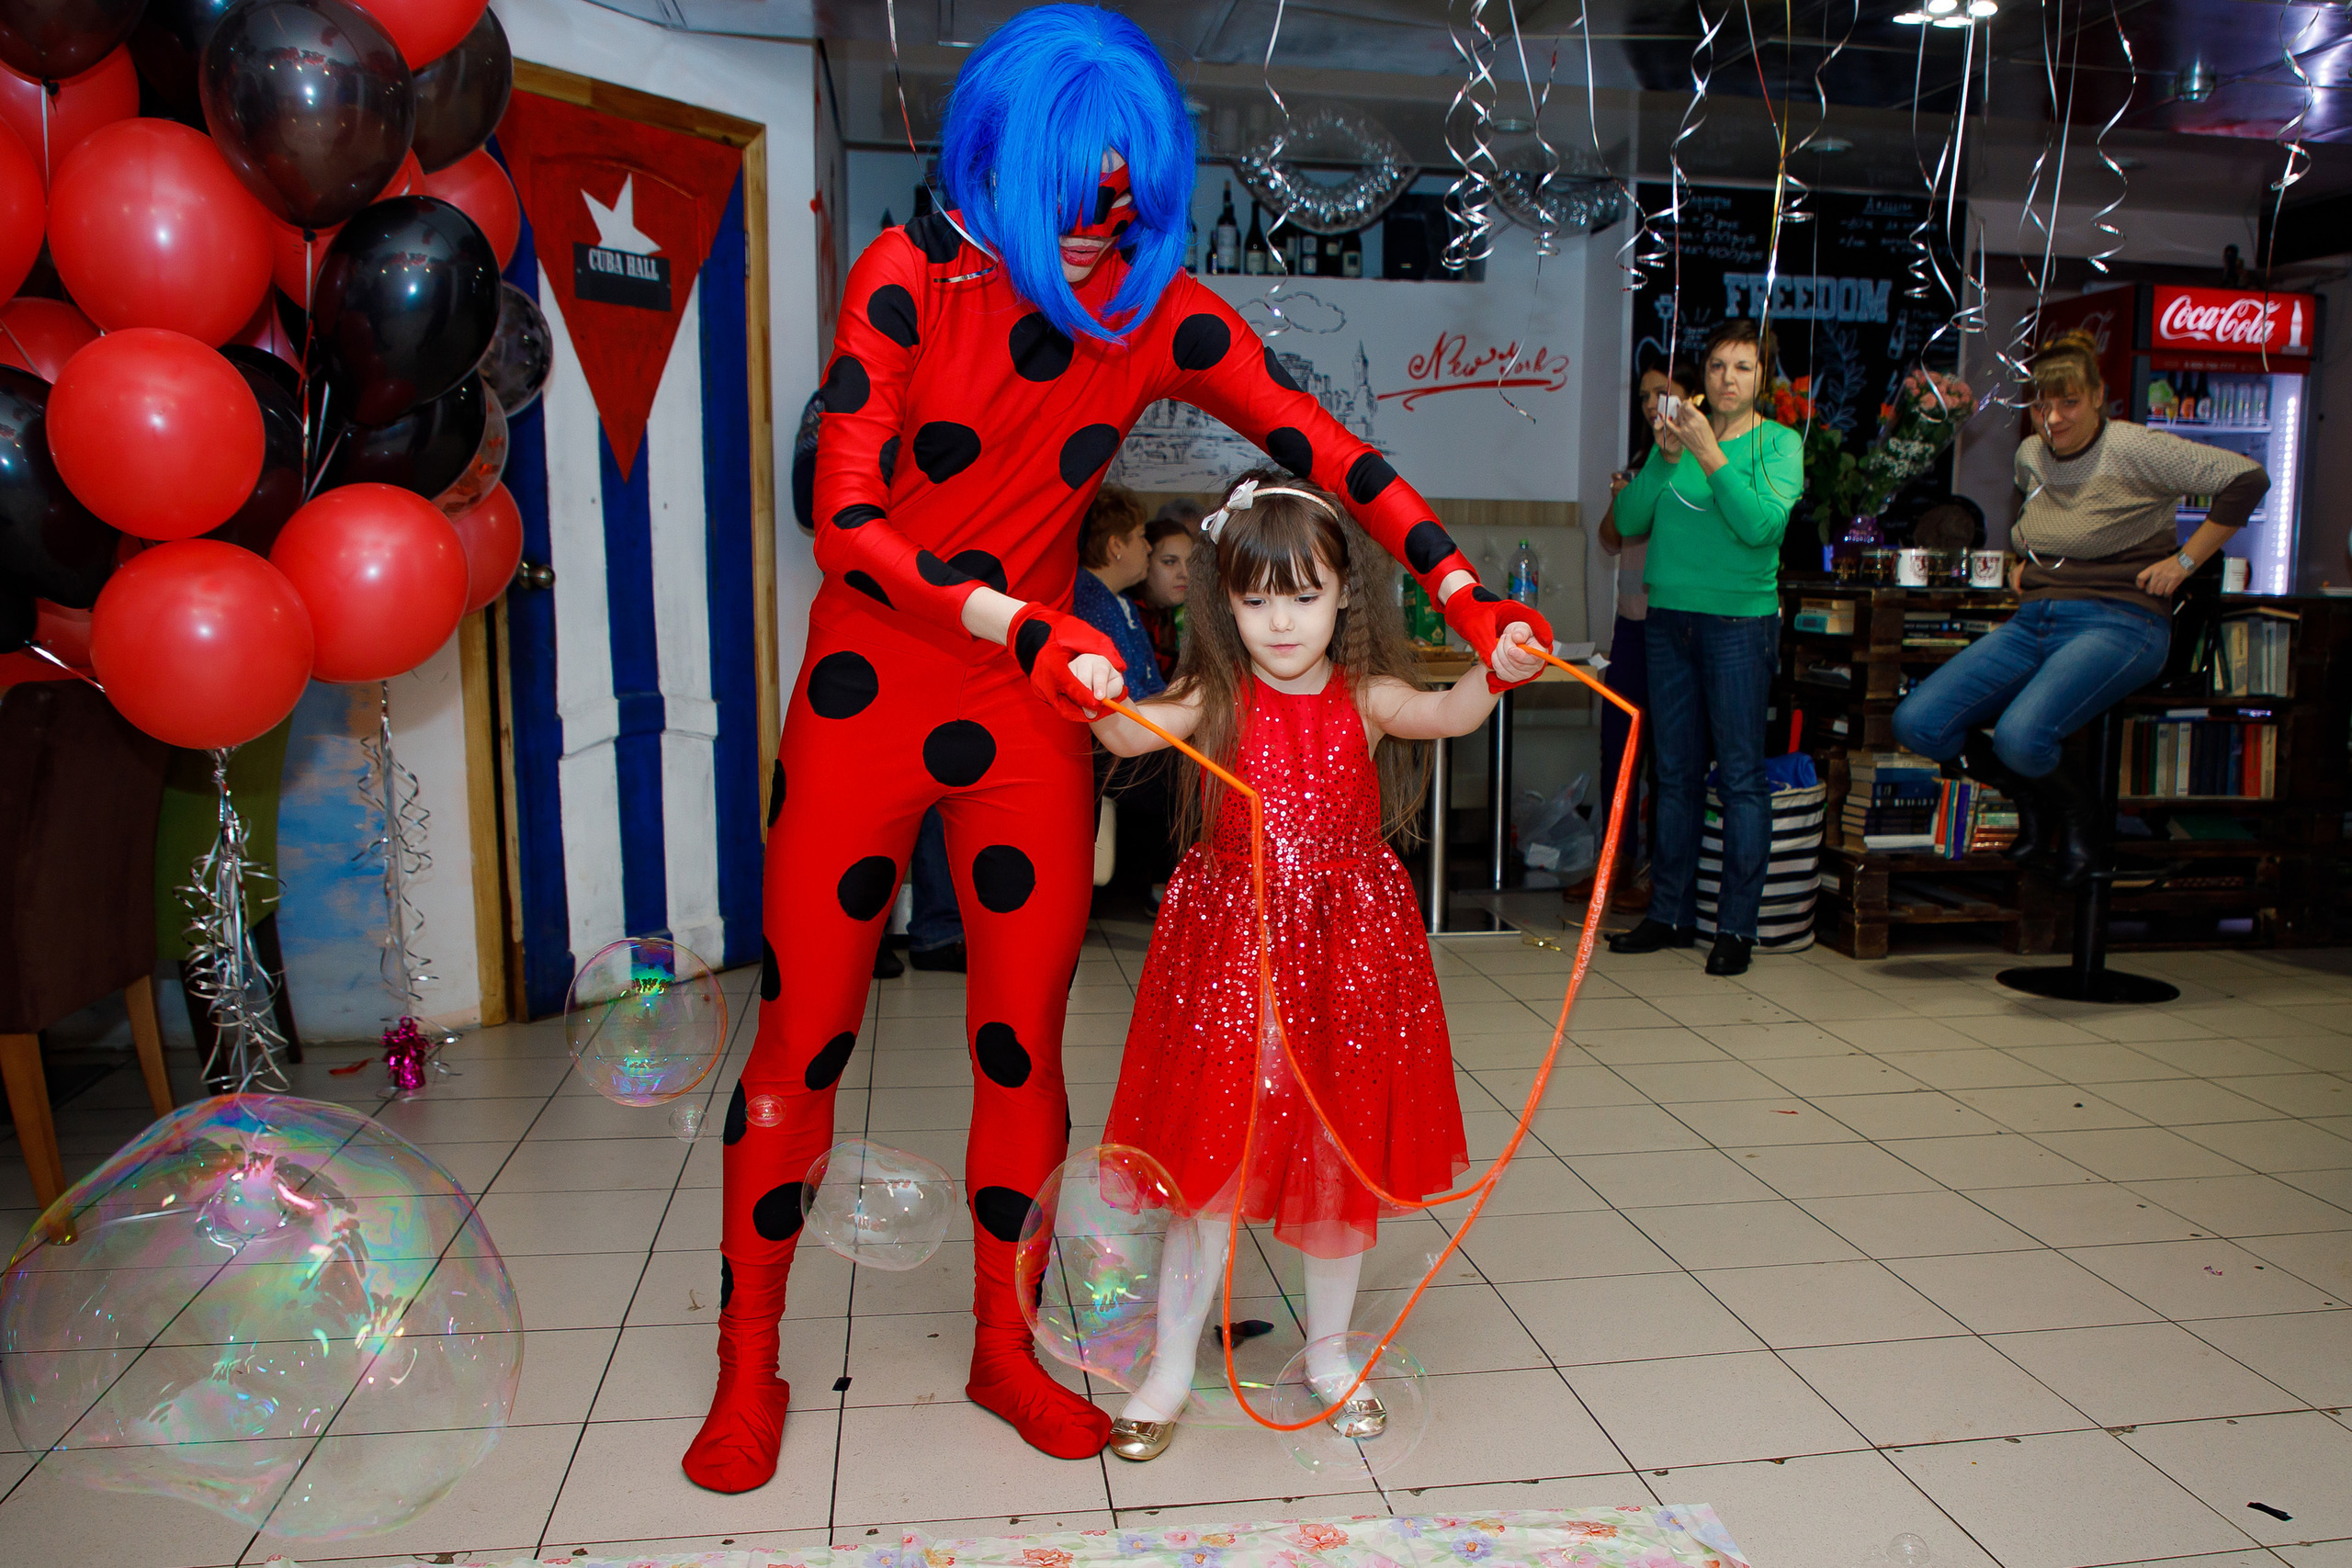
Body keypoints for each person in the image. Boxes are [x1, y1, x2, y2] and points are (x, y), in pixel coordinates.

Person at [693, 4, 1547, 1492]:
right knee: (803, 1041)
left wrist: (1460, 583)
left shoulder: (1147, 310)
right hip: (869, 703)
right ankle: (745, 1356)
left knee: (1020, 1049)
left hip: (1031, 720)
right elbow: (842, 523)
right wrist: (1018, 625)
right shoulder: (906, 279)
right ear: (1007, 170)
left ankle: (1001, 1340)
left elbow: (1319, 441)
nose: (1098, 249)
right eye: (1076, 211)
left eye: (1125, 215)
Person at [1087, 472, 1544, 1461]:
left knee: (1336, 1164)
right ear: (1225, 602)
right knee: (1207, 1172)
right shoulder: (1217, 695)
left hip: (1347, 957)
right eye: (1255, 600)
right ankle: (1167, 1368)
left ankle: (1330, 1357)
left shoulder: (1367, 696)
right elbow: (1127, 730)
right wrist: (1089, 685)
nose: (1281, 622)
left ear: (1344, 594)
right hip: (1229, 957)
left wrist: (1499, 666)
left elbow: (1455, 713)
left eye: (1303, 595)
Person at [1893, 331, 2267, 886]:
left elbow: (2247, 479)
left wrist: (2184, 562)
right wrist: (2026, 560)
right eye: (2042, 405)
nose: (2054, 418)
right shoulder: (2030, 456)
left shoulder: (2135, 447)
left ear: (2097, 396)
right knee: (1918, 721)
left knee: (2022, 737)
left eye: (2068, 402)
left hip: (2122, 620)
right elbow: (2040, 522)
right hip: (2038, 618)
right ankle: (2035, 800)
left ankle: (2079, 816)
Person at [1603, 320, 1802, 977]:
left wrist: (1709, 452)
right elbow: (1627, 524)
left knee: (1741, 777)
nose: (1725, 378)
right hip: (1668, 619)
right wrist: (1664, 457)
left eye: (1742, 367)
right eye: (1717, 365)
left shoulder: (1779, 442)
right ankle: (1670, 914)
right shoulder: (1674, 444)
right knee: (1675, 773)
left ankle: (1736, 928)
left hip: (1740, 625)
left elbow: (1761, 527)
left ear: (1761, 380)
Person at [1594, 360, 1692, 910]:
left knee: (1669, 757)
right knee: (1617, 750)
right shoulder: (1639, 465)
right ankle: (1614, 868)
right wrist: (1620, 498)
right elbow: (1613, 538)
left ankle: (1662, 875)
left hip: (1677, 623)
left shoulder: (1700, 465)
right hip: (1630, 624)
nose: (1653, 403)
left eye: (1664, 392)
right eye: (1645, 396)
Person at [1129, 515, 1194, 681]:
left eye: (1191, 562)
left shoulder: (1172, 614)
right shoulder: (1131, 615)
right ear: (1145, 562)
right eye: (1170, 562)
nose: (1185, 573)